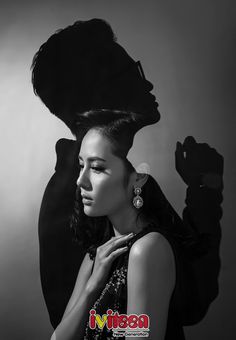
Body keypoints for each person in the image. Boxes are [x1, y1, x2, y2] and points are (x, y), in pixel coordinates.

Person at [31, 18, 223, 330]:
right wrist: (207, 191)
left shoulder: (127, 186)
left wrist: (206, 187)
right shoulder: (80, 196)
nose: (147, 84)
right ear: (100, 92)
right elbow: (190, 299)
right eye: (132, 73)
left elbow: (192, 296)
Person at [51, 108, 195, 340]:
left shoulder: (148, 249)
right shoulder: (97, 255)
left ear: (138, 177)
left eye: (97, 167)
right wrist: (92, 287)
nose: (80, 180)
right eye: (81, 165)